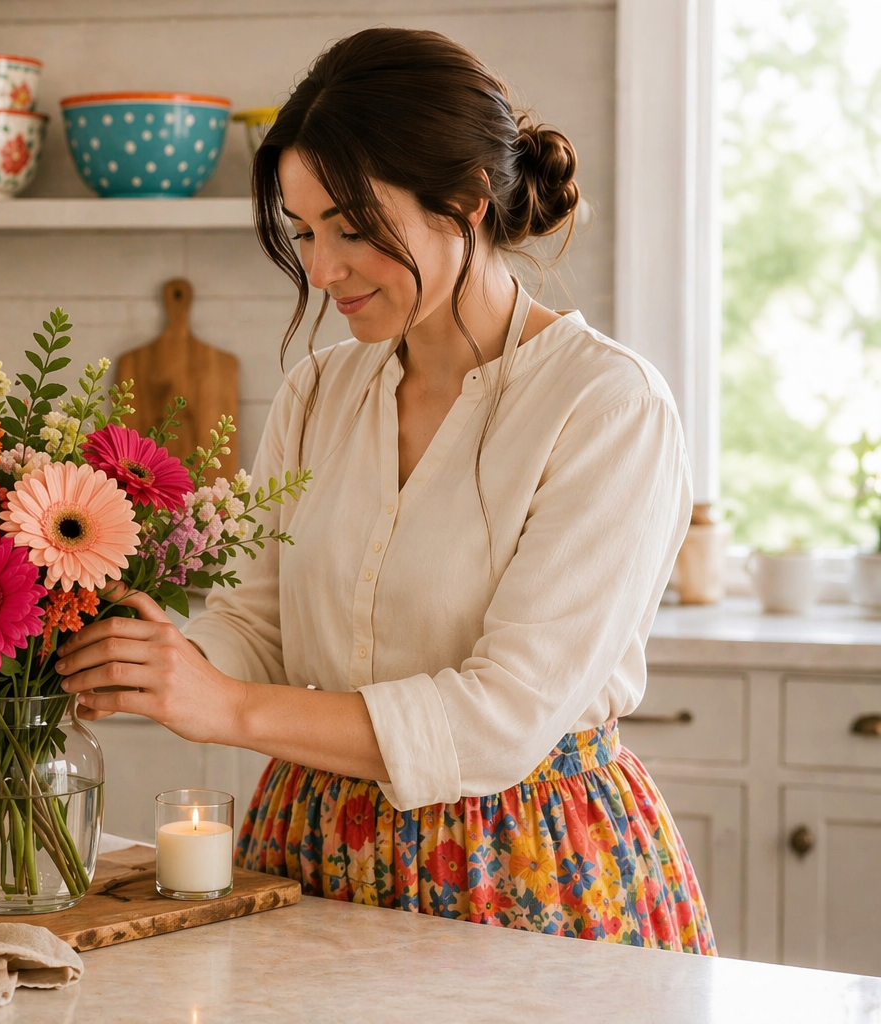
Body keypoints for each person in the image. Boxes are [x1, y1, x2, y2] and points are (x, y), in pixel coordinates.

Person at [54, 27, 714, 953]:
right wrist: (154, 660)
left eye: (354, 229)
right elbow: (257, 623)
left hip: (524, 864)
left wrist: (227, 709)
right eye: (306, 232)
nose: (323, 272)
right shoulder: (321, 390)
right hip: (310, 847)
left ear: (465, 202)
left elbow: (499, 720)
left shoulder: (606, 406)